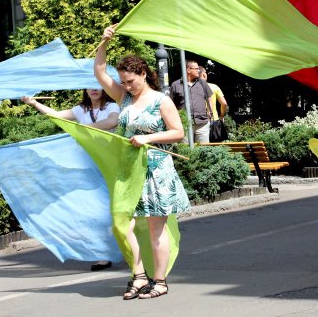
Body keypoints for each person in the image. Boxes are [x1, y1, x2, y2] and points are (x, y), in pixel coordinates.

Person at [96, 24, 190, 300]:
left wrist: (148, 139)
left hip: (156, 169)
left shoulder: (161, 100)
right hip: (129, 169)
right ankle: (138, 275)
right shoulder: (124, 97)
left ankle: (159, 281)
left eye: (130, 81)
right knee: (121, 223)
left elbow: (179, 133)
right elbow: (100, 72)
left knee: (154, 228)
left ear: (144, 74)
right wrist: (103, 43)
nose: (126, 86)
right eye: (123, 82)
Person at [22, 88, 120, 271]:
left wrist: (82, 128)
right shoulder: (80, 110)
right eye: (89, 86)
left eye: (96, 85)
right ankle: (103, 254)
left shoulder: (111, 106)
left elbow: (112, 121)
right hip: (87, 164)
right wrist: (34, 103)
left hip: (110, 163)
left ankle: (130, 247)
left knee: (115, 208)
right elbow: (58, 116)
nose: (93, 89)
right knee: (95, 210)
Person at [169, 60, 213, 143]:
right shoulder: (175, 85)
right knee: (185, 151)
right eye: (196, 69)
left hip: (202, 123)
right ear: (188, 70)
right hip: (184, 124)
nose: (198, 70)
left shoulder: (202, 83)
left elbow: (209, 99)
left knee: (203, 151)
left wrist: (209, 112)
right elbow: (171, 105)